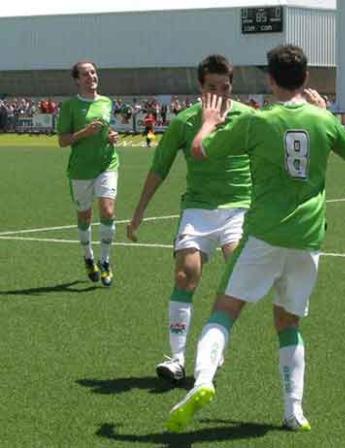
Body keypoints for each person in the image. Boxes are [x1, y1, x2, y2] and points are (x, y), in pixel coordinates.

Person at [164, 44, 345, 433]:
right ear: (305, 79)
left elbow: (202, 150)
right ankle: (293, 411)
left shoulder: (258, 121)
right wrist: (323, 113)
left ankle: (202, 381)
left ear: (270, 80)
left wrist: (206, 121)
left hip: (265, 235)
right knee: (289, 324)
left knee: (224, 311)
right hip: (307, 239)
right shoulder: (322, 120)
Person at [126, 55, 254, 383]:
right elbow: (160, 168)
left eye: (225, 88)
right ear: (200, 87)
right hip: (197, 209)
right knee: (185, 275)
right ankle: (177, 358)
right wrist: (139, 213)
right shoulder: (185, 122)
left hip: (238, 209)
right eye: (212, 87)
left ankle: (214, 341)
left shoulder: (249, 118)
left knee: (236, 272)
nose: (219, 94)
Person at [57, 60, 120, 286]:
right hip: (81, 170)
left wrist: (112, 135)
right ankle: (88, 257)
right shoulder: (70, 106)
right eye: (85, 74)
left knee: (108, 210)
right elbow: (62, 141)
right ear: (77, 80)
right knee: (85, 216)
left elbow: (108, 128)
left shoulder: (106, 102)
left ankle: (105, 262)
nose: (91, 77)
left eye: (93, 72)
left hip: (107, 164)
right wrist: (84, 133)